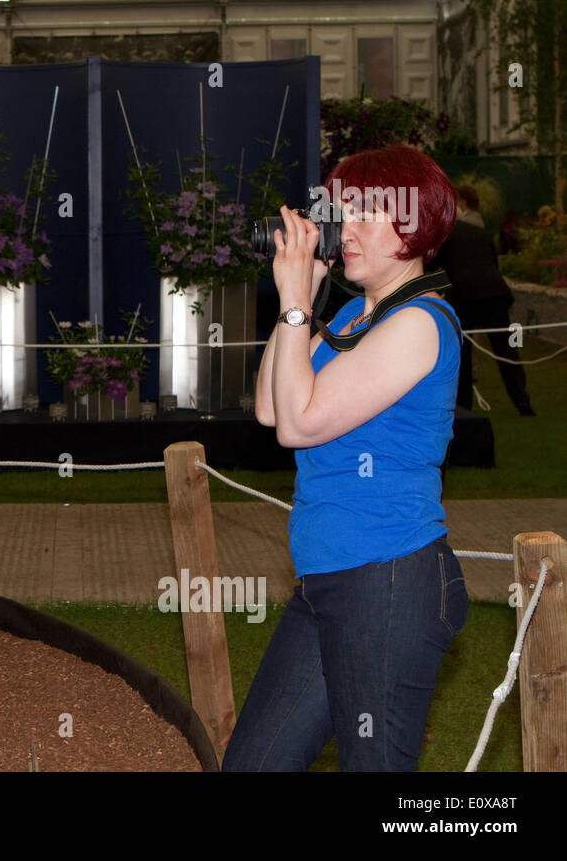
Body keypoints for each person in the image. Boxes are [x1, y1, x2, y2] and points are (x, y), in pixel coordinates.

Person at [223, 144, 468, 771]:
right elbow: (272, 409)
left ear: (414, 225)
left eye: (365, 213)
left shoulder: (420, 321)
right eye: (341, 211)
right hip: (327, 582)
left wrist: (296, 303)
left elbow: (299, 424)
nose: (345, 227)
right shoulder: (355, 319)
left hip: (387, 581)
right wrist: (303, 295)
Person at [434, 185, 534, 416]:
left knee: (464, 350)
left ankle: (464, 405)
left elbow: (438, 271)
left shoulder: (445, 237)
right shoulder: (480, 233)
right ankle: (523, 403)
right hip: (494, 294)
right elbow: (493, 264)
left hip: (465, 296)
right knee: (507, 350)